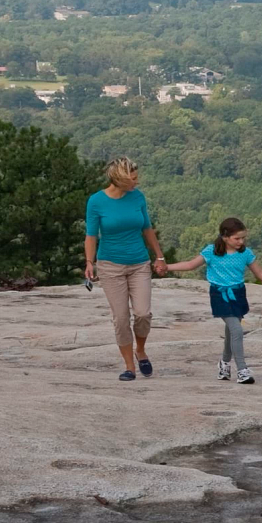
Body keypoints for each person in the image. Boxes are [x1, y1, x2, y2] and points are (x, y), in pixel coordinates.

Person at [160, 217, 262, 384]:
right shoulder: (211, 251)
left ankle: (224, 363)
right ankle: (242, 370)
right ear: (225, 237)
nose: (241, 241)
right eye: (237, 238)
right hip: (220, 294)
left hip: (238, 293)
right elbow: (191, 265)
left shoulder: (245, 254)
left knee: (231, 331)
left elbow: (260, 273)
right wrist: (167, 267)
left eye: (243, 238)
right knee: (237, 330)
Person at [83, 158, 167, 381]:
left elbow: (147, 228)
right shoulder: (96, 201)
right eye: (133, 178)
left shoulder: (137, 197)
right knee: (120, 318)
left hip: (139, 263)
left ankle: (140, 350)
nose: (136, 182)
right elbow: (91, 235)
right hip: (110, 265)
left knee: (142, 314)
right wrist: (89, 262)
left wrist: (159, 256)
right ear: (119, 178)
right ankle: (130, 366)